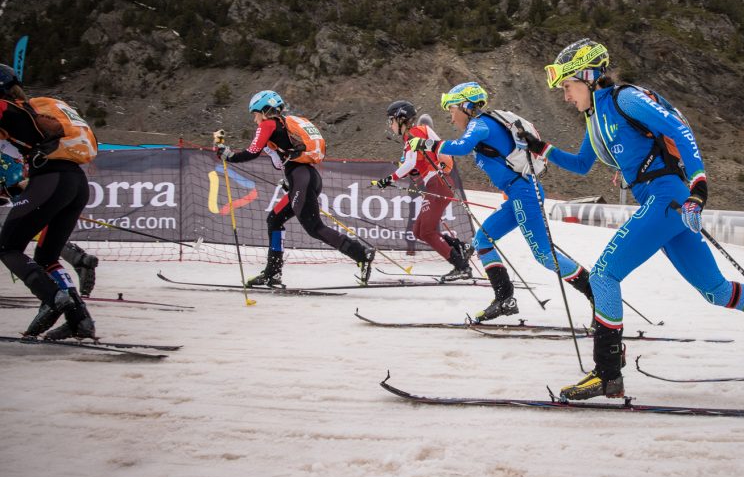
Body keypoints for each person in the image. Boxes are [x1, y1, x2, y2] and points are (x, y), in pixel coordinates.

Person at [521, 39, 744, 400]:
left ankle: (607, 374)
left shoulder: (625, 100)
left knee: (605, 275)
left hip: (668, 199)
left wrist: (699, 187)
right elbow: (581, 164)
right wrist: (539, 147)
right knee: (715, 291)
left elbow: (681, 132)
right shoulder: (596, 119)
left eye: (568, 87)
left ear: (588, 77)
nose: (565, 97)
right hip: (664, 202)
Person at [409, 81, 593, 321]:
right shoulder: (481, 126)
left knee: (544, 255)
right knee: (482, 239)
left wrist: (427, 143)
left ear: (466, 106)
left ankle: (596, 294)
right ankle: (504, 298)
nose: (451, 118)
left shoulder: (480, 124)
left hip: (525, 193)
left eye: (452, 110)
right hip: (518, 194)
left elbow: (462, 147)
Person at [215, 90, 376, 287]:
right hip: (305, 178)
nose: (254, 119)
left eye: (255, 113)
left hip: (303, 179)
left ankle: (361, 254)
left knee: (315, 228)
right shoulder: (282, 126)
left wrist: (228, 155)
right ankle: (272, 273)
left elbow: (251, 152)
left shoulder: (268, 124)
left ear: (264, 111)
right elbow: (284, 161)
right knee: (274, 219)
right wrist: (291, 184)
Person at [0, 63, 98, 339]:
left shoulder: (12, 111)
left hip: (50, 179)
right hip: (76, 181)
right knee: (45, 257)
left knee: (8, 247)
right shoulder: (47, 103)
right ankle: (80, 320)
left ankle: (53, 298)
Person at [371, 100, 472, 282]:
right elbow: (420, 159)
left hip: (438, 183)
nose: (390, 125)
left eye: (392, 120)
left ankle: (461, 266)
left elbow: (409, 163)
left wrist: (388, 180)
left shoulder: (413, 134)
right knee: (419, 231)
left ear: (401, 119)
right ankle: (460, 248)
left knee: (426, 232)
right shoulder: (416, 134)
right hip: (436, 183)